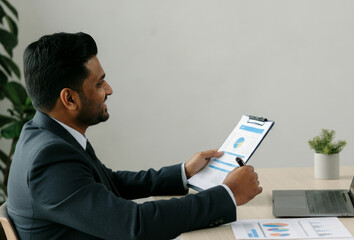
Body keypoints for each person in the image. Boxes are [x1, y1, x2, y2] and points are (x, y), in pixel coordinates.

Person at [6, 32, 262, 240]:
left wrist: (184, 172)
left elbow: (111, 183)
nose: (109, 90)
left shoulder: (47, 135)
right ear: (69, 98)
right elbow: (134, 225)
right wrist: (227, 194)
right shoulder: (51, 158)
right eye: (99, 84)